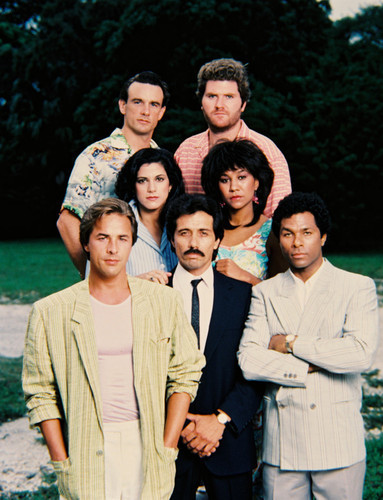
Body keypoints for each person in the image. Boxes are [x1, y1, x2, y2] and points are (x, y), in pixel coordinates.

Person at [23, 198, 205, 500]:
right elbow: (40, 392)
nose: (112, 249)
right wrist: (61, 459)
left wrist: (167, 445)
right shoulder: (50, 311)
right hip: (85, 446)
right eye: (102, 237)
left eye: (122, 238)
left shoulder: (163, 301)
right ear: (86, 243)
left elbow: (185, 372)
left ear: (132, 243)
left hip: (147, 443)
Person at [238, 192, 379, 500]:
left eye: (307, 233)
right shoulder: (266, 292)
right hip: (282, 443)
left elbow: (360, 353)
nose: (297, 243)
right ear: (279, 239)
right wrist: (314, 365)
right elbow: (249, 360)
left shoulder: (356, 287)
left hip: (337, 439)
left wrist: (291, 343)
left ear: (323, 236)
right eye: (287, 234)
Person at [165, 194, 263, 500]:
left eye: (203, 233)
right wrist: (180, 424)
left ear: (217, 240)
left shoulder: (244, 295)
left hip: (228, 439)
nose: (194, 242)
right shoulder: (152, 295)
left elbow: (257, 367)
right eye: (184, 233)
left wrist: (221, 419)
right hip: (167, 444)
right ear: (172, 240)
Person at [57, 71, 169, 277]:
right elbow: (67, 222)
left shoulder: (163, 161)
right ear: (122, 106)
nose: (146, 111)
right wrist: (96, 276)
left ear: (161, 112)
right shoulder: (96, 156)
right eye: (137, 102)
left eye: (154, 104)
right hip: (113, 278)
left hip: (158, 274)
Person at [174, 58, 291, 218]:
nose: (219, 105)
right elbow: (174, 214)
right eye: (212, 96)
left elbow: (281, 220)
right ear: (201, 102)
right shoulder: (186, 151)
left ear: (243, 104)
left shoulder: (268, 152)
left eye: (229, 97)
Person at [202, 139, 287, 286]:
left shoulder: (272, 231)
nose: (234, 187)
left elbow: (282, 294)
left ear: (256, 182)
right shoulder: (207, 228)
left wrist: (246, 277)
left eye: (241, 177)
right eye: (225, 180)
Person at [115, 147, 184, 283]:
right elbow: (94, 286)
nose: (151, 188)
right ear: (133, 186)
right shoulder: (114, 225)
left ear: (170, 184)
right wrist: (135, 284)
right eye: (142, 181)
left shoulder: (184, 223)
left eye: (159, 179)